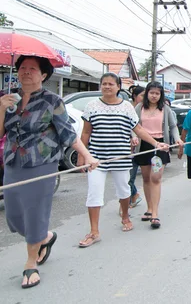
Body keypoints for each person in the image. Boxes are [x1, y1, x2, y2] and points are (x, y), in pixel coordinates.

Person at [0, 56, 99, 288]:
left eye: (32, 69)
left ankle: (30, 263)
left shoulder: (52, 101)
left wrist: (87, 155)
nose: (26, 72)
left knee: (35, 213)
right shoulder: (9, 99)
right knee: (13, 216)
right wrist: (1, 108)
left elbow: (67, 133)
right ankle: (45, 237)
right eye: (22, 68)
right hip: (13, 162)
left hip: (42, 163)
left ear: (43, 75)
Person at [78, 73, 169, 248]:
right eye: (104, 84)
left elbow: (139, 129)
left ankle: (125, 216)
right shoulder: (91, 106)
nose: (107, 87)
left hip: (121, 157)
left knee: (124, 191)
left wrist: (156, 143)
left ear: (118, 87)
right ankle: (94, 231)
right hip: (97, 159)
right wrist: (83, 154)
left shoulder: (127, 107)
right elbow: (86, 132)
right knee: (94, 193)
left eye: (111, 84)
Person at [133, 82, 183, 229]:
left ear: (161, 95)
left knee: (156, 178)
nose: (154, 95)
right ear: (147, 93)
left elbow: (173, 126)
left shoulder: (165, 109)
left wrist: (178, 138)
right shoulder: (139, 108)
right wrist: (133, 137)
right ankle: (149, 208)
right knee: (147, 178)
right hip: (143, 145)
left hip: (161, 145)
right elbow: (133, 125)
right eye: (151, 92)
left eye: (157, 93)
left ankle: (155, 213)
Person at [128, 85, 145, 209]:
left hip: (139, 147)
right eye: (142, 96)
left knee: (130, 177)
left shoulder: (144, 110)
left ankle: (131, 198)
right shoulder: (127, 108)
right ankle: (134, 195)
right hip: (125, 147)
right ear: (134, 96)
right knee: (127, 178)